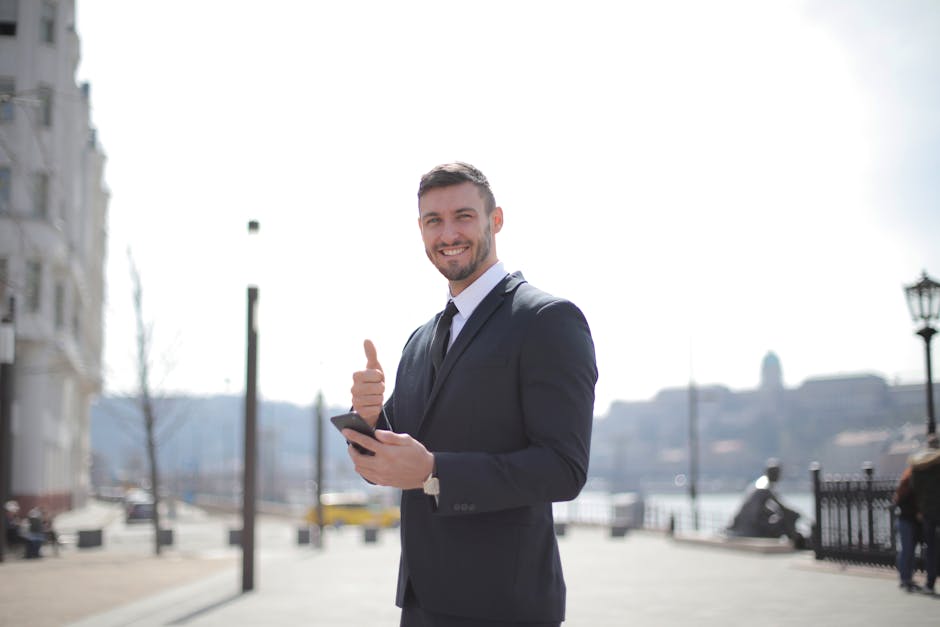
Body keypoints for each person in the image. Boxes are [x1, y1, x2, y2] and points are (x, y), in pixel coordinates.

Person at [345, 162, 597, 626]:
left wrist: (435, 473)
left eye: (463, 216)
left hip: (505, 606)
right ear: (421, 230)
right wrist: (367, 417)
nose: (448, 234)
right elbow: (388, 463)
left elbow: (564, 469)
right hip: (420, 603)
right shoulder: (420, 339)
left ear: (494, 220)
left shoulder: (547, 321)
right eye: (433, 221)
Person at [911, 433, 940, 595]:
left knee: (931, 548)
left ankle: (930, 583)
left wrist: (920, 508)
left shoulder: (919, 465)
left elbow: (914, 487)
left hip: (927, 512)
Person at [893, 465, 921, 592]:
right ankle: (904, 578)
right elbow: (902, 503)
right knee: (907, 550)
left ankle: (907, 577)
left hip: (910, 521)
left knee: (910, 550)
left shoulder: (909, 485)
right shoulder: (907, 486)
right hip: (906, 521)